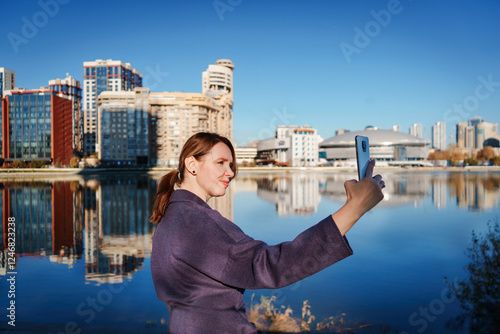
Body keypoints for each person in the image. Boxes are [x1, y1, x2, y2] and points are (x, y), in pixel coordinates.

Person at [150, 132, 385, 334]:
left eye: (231, 165)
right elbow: (271, 266)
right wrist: (355, 208)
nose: (230, 172)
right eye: (220, 162)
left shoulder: (170, 215)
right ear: (192, 165)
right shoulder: (198, 221)